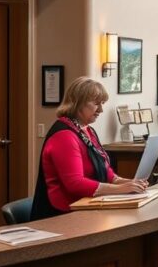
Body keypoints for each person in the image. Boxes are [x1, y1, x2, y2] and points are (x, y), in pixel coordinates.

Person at [30, 77, 147, 221]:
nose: (101, 110)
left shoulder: (87, 130)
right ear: (77, 102)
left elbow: (104, 169)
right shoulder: (64, 135)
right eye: (96, 104)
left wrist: (127, 183)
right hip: (61, 215)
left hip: (85, 208)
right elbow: (75, 183)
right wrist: (120, 190)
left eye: (102, 104)